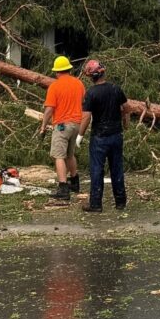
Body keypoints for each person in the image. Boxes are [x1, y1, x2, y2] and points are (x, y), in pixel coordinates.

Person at [76, 59, 128, 213]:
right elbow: (126, 107)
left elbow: (86, 117)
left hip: (99, 137)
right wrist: (126, 124)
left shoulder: (91, 93)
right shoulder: (116, 89)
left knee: (97, 170)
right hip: (116, 135)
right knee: (117, 168)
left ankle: (96, 204)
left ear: (91, 76)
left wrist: (80, 135)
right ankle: (120, 202)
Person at [38, 55, 85, 201]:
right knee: (70, 154)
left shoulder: (55, 86)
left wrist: (43, 126)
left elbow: (49, 110)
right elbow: (83, 102)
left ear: (57, 72)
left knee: (58, 156)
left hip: (62, 125)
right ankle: (75, 181)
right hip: (77, 124)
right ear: (69, 69)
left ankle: (63, 187)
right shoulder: (79, 84)